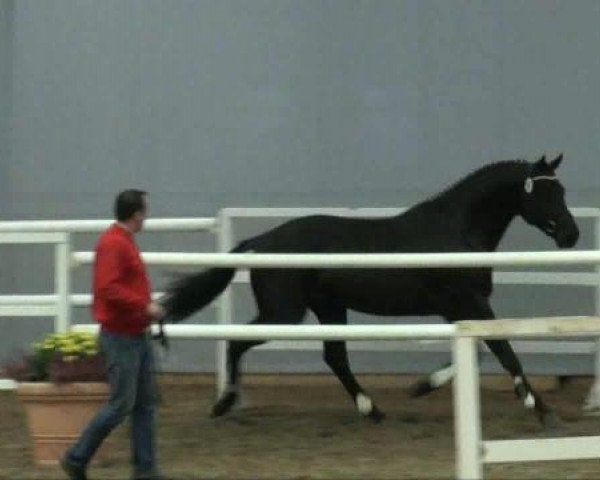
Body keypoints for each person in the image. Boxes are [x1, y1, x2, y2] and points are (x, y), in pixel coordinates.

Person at [61, 189, 166, 480]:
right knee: (121, 405)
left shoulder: (122, 241)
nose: (147, 216)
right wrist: (144, 305)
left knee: (144, 404)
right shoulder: (114, 244)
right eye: (145, 211)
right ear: (137, 214)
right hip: (122, 337)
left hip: (135, 333)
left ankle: (145, 470)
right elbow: (107, 288)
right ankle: (76, 456)